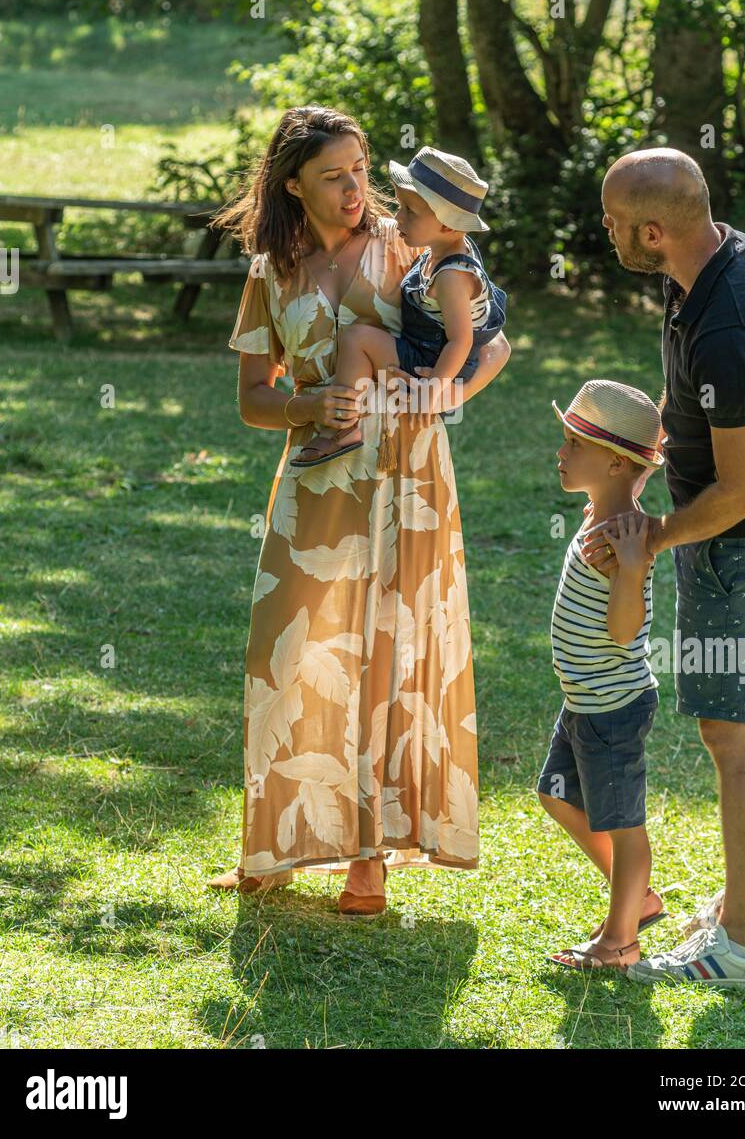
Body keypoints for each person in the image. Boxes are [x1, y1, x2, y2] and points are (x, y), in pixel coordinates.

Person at [205, 106, 511, 917]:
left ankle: (368, 863)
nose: (354, 188)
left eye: (361, 169)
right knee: (291, 654)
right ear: (292, 181)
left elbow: (493, 345)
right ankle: (274, 847)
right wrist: (307, 404)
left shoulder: (410, 243)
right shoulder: (271, 271)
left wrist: (445, 393)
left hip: (408, 477)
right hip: (315, 476)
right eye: (334, 174)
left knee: (392, 652)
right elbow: (252, 400)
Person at [583, 147, 745, 991]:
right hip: (735, 535)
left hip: (742, 543)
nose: (605, 231)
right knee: (741, 721)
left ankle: (741, 951)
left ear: (652, 228)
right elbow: (693, 407)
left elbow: (744, 489)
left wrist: (655, 536)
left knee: (731, 734)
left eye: (613, 222)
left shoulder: (728, 324)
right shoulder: (712, 255)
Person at [538, 380, 666, 972]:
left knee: (624, 824)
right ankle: (633, 897)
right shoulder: (602, 515)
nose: (560, 453)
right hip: (583, 702)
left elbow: (623, 631)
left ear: (615, 462)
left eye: (572, 443)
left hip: (612, 707)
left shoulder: (623, 540)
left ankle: (619, 942)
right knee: (555, 794)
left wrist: (633, 572)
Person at [291, 146, 506, 469]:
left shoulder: (452, 276)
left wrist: (435, 390)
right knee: (360, 338)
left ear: (447, 225)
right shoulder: (439, 251)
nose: (397, 217)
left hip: (433, 363)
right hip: (431, 355)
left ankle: (343, 428)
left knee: (356, 339)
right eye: (399, 206)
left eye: (410, 211)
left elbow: (461, 339)